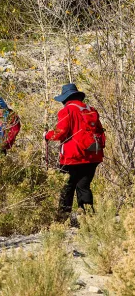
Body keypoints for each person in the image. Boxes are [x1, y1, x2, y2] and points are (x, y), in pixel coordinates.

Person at [45, 83, 105, 219]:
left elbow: (60, 132)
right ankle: (87, 218)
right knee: (84, 186)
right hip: (93, 155)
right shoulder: (91, 109)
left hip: (72, 157)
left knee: (67, 186)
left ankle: (63, 217)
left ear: (65, 99)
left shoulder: (67, 111)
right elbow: (100, 131)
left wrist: (47, 136)